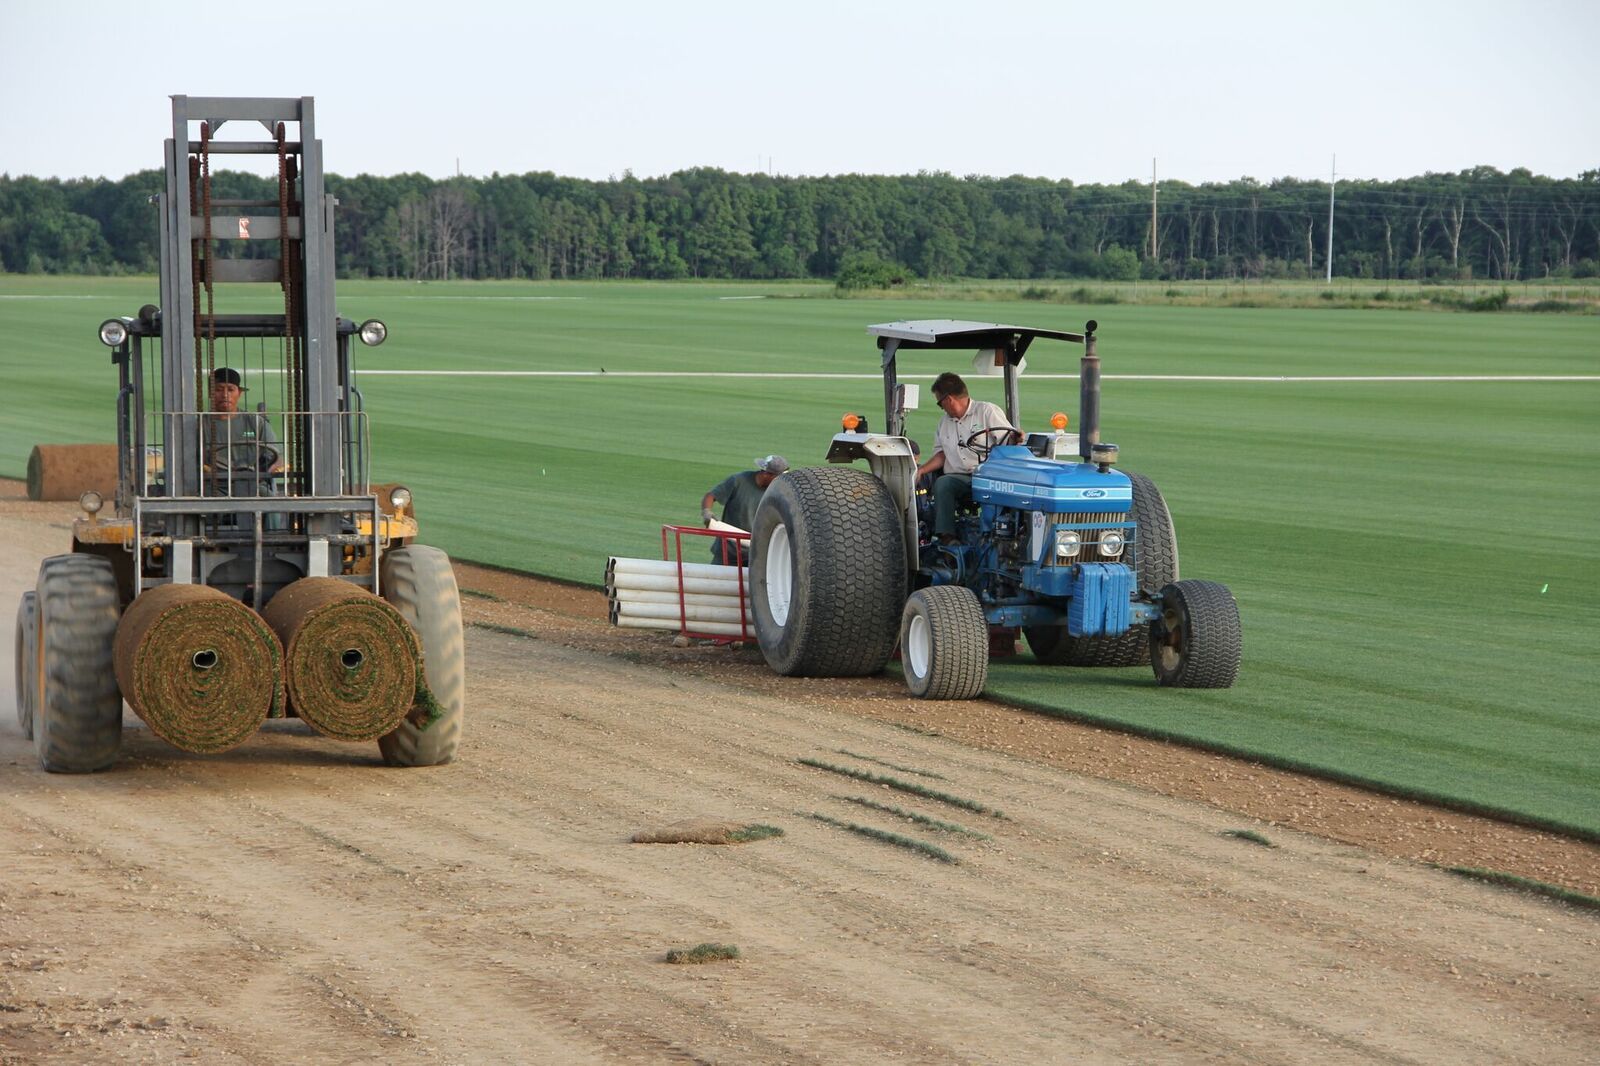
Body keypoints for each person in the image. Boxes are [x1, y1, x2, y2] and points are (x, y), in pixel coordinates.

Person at [914, 372, 1019, 542]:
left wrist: (1016, 438)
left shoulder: (986, 412)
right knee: (943, 483)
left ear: (949, 399)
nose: (941, 408)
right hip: (961, 477)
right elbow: (941, 454)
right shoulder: (944, 423)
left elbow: (1007, 440)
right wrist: (922, 470)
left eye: (940, 404)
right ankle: (947, 538)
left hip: (988, 474)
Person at [203, 366, 284, 494]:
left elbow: (277, 458)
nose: (225, 395)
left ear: (239, 393)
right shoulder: (200, 425)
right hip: (215, 487)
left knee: (273, 507)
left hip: (253, 484)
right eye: (218, 389)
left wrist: (259, 475)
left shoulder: (255, 422)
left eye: (230, 389)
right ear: (210, 393)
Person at [700, 454, 789, 564]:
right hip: (726, 552)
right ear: (767, 474)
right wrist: (706, 511)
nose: (780, 482)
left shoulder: (777, 492)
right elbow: (711, 496)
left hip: (755, 555)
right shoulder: (738, 480)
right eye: (778, 478)